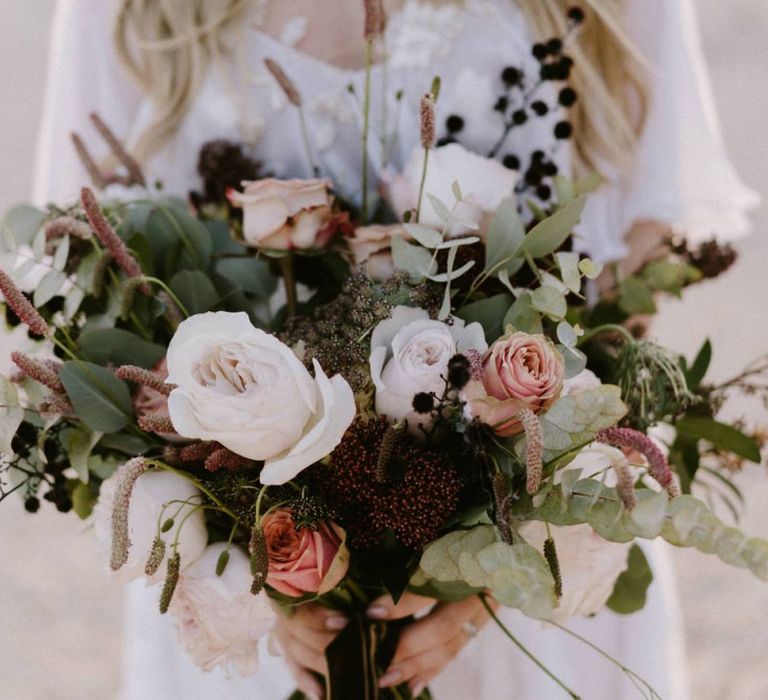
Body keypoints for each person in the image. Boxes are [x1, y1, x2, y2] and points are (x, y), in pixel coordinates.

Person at [34, 1, 756, 698]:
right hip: (252, 595)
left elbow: (637, 263)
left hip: (526, 575)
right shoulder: (126, 12)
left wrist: (496, 571)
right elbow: (86, 283)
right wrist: (264, 581)